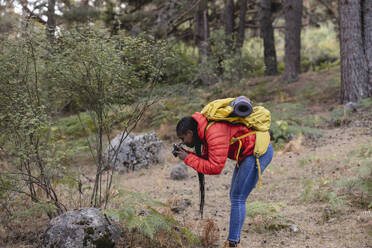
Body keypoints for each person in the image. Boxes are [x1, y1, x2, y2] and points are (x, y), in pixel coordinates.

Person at [174, 112, 274, 248]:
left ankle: (232, 243)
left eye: (183, 138)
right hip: (246, 154)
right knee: (235, 196)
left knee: (238, 198)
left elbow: (215, 168)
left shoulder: (214, 132)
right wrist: (187, 154)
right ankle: (233, 241)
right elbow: (207, 158)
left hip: (257, 152)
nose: (183, 142)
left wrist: (187, 157)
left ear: (190, 133)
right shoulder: (204, 130)